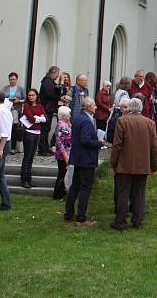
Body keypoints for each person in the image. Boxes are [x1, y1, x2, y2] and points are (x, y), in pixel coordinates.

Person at [110, 98, 157, 231]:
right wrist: (154, 165)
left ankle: (120, 222)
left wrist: (113, 163)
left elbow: (117, 145)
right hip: (143, 164)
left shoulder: (122, 121)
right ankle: (137, 220)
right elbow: (154, 146)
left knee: (123, 193)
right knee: (139, 193)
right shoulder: (150, 123)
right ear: (141, 108)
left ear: (130, 108)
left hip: (124, 164)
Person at [65, 97, 103, 226]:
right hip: (86, 159)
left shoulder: (78, 117)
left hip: (78, 158)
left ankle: (68, 213)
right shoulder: (86, 121)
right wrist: (99, 143)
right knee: (85, 188)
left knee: (75, 187)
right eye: (94, 105)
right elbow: (85, 140)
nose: (96, 107)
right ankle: (81, 216)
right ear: (87, 107)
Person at [20, 88, 46, 189]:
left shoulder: (40, 106)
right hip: (29, 133)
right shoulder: (26, 106)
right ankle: (24, 179)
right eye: (29, 95)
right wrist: (38, 117)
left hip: (37, 133)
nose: (31, 97)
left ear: (36, 96)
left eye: (33, 95)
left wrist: (37, 118)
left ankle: (29, 179)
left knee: (31, 157)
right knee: (27, 157)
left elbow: (45, 119)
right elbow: (30, 118)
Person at [39, 66, 63, 156]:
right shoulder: (47, 81)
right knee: (44, 129)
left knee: (47, 129)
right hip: (46, 108)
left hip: (49, 108)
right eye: (57, 74)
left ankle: (46, 147)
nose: (57, 76)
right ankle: (42, 149)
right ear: (53, 72)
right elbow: (50, 94)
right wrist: (59, 98)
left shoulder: (50, 81)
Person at [2, 72, 26, 155]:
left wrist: (18, 101)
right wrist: (7, 99)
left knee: (14, 128)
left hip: (16, 110)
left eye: (14, 79)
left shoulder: (20, 89)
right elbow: (1, 98)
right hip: (7, 110)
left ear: (16, 80)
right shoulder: (5, 88)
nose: (12, 81)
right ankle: (5, 146)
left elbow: (25, 99)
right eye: (11, 79)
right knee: (6, 128)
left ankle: (13, 147)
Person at [52, 106, 72, 201]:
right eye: (68, 114)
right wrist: (65, 155)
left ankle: (62, 191)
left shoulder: (66, 124)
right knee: (62, 173)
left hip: (67, 152)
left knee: (64, 173)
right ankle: (57, 193)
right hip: (62, 154)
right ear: (63, 116)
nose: (70, 116)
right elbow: (59, 142)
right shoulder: (60, 125)